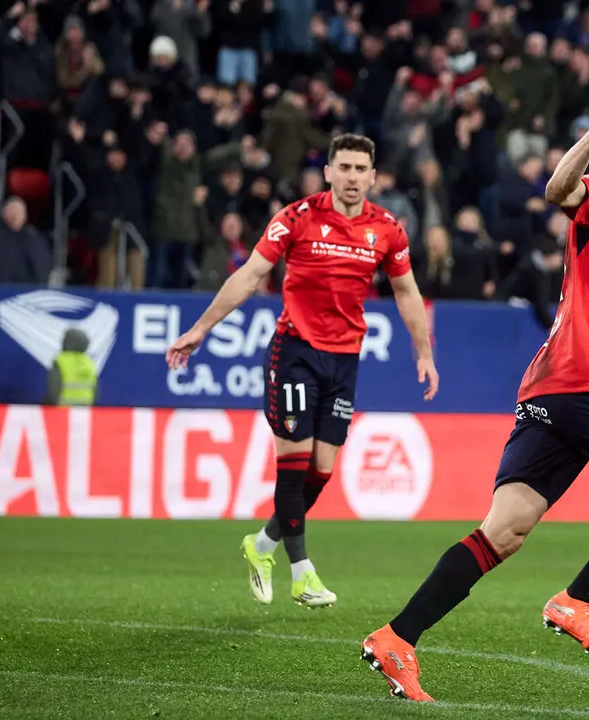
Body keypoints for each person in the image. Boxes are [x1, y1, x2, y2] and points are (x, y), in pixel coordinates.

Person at [359, 84, 589, 702]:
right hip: (584, 380)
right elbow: (558, 191)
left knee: (503, 532)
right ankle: (579, 600)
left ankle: (397, 638)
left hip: (550, 393)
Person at [164, 133, 439, 608]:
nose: (352, 177)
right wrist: (201, 328)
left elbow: (407, 292)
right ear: (328, 172)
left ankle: (262, 545)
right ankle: (302, 572)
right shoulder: (297, 218)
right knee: (294, 464)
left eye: (361, 169)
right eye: (344, 168)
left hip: (345, 358)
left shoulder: (388, 229)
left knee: (323, 469)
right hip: (295, 351)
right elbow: (250, 275)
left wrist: (424, 351)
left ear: (373, 176)